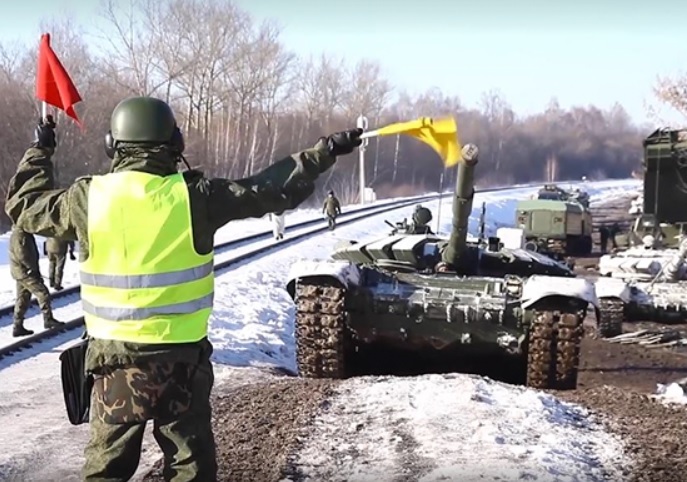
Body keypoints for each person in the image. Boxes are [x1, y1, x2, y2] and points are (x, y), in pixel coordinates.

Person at [4, 97, 363, 481]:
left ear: (114, 144)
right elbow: (270, 189)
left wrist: (40, 149)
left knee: (105, 473)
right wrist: (323, 153)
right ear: (175, 143)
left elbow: (24, 205)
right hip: (181, 366)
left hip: (114, 365)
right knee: (190, 470)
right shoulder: (197, 197)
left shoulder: (88, 199)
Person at [9, 227, 65, 337]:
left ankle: (17, 326)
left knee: (23, 298)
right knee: (43, 293)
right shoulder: (21, 235)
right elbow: (22, 254)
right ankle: (47, 319)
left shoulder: (20, 233)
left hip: (20, 271)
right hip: (26, 272)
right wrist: (32, 268)